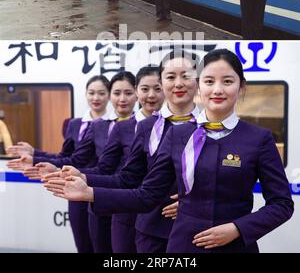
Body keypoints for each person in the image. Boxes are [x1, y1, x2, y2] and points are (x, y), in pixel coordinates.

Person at [47, 49, 294, 253]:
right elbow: (146, 194)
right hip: (182, 247)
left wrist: (238, 228)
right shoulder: (178, 135)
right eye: (209, 81)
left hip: (237, 247)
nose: (217, 89)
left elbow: (282, 203)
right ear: (199, 87)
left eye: (227, 81)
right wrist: (90, 192)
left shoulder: (259, 139)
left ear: (241, 88)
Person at [45, 50, 201, 254]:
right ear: (163, 83)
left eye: (186, 76)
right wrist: (84, 179)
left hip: (197, 230)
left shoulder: (211, 128)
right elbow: (127, 179)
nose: (178, 83)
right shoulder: (146, 128)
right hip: (150, 230)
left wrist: (198, 203)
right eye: (171, 77)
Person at [7, 76, 111, 254]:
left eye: (101, 93)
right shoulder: (75, 124)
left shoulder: (115, 124)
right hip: (74, 188)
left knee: (104, 245)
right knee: (82, 243)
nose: (96, 98)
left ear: (108, 96)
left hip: (103, 188)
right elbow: (66, 156)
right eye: (92, 93)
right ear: (85, 94)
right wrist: (35, 154)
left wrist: (36, 158)